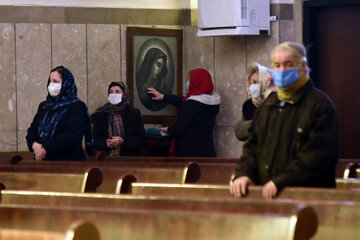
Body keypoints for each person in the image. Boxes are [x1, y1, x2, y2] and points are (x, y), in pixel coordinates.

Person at [230, 42, 339, 199]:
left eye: (288, 65)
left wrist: (280, 181)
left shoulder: (319, 105)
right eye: (277, 65)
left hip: (306, 196)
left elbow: (317, 156)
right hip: (267, 195)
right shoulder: (268, 105)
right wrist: (244, 174)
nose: (282, 70)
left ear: (302, 66)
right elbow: (253, 146)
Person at [26, 66, 95, 161]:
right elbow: (32, 129)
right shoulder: (44, 106)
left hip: (68, 163)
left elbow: (71, 137)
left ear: (66, 83)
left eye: (56, 81)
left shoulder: (77, 107)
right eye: (50, 81)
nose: (51, 84)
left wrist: (45, 149)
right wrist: (34, 145)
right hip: (43, 162)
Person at [148, 68, 221, 157]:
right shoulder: (211, 102)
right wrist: (164, 97)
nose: (188, 83)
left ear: (196, 82)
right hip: (207, 151)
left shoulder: (191, 104)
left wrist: (167, 129)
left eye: (190, 80)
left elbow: (179, 129)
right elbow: (182, 101)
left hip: (189, 153)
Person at [91, 81, 145, 156]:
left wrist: (122, 141)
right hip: (106, 158)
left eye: (117, 92)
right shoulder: (101, 113)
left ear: (124, 94)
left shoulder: (134, 113)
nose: (113, 94)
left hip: (130, 158)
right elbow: (95, 140)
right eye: (111, 92)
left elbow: (141, 140)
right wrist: (106, 143)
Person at [234, 64, 275, 141]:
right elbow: (239, 131)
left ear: (265, 82)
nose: (252, 86)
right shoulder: (250, 105)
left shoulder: (275, 100)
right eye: (251, 83)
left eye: (256, 82)